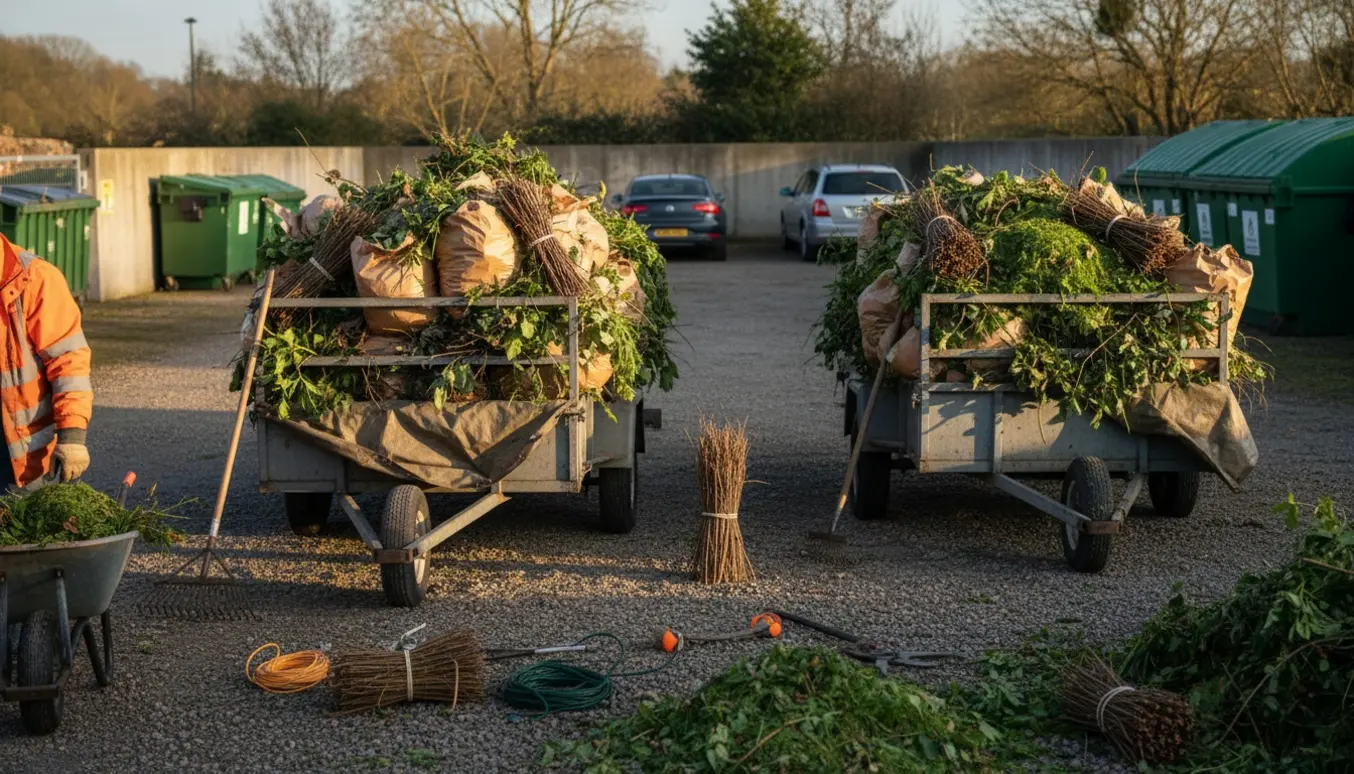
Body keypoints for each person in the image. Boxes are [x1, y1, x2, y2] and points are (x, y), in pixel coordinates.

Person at [0, 233, 92, 489]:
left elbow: (68, 362)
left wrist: (72, 436)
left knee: (23, 525)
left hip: (21, 456)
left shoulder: (34, 279)